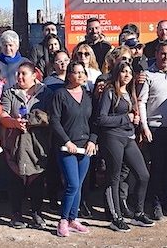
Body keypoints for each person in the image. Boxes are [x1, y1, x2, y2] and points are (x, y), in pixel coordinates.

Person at [97, 61, 154, 232]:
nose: (127, 75)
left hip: (128, 137)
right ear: (117, 73)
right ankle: (116, 217)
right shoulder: (109, 92)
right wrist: (126, 118)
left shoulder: (130, 92)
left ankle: (138, 212)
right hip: (112, 137)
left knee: (143, 175)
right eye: (123, 72)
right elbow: (101, 119)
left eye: (129, 72)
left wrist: (135, 121)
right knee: (113, 177)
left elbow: (131, 115)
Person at [0, 62, 53, 230]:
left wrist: (32, 119)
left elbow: (50, 116)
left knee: (37, 180)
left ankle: (36, 212)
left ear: (34, 75)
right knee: (17, 179)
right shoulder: (9, 92)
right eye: (18, 74)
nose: (19, 77)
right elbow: (3, 115)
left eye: (24, 74)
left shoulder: (46, 93)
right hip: (16, 143)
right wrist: (14, 123)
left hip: (39, 144)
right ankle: (16, 214)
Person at [50, 61, 98, 237]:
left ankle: (73, 218)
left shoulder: (88, 96)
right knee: (72, 184)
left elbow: (95, 121)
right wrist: (67, 141)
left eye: (82, 72)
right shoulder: (60, 95)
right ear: (68, 75)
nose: (79, 75)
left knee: (79, 185)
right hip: (66, 147)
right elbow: (54, 120)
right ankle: (62, 220)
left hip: (85, 147)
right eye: (76, 72)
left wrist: (92, 140)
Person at [137, 42, 167, 220]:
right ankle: (156, 203)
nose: (165, 57)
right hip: (155, 129)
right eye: (162, 54)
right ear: (156, 54)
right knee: (157, 167)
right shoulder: (148, 75)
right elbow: (141, 102)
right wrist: (145, 127)